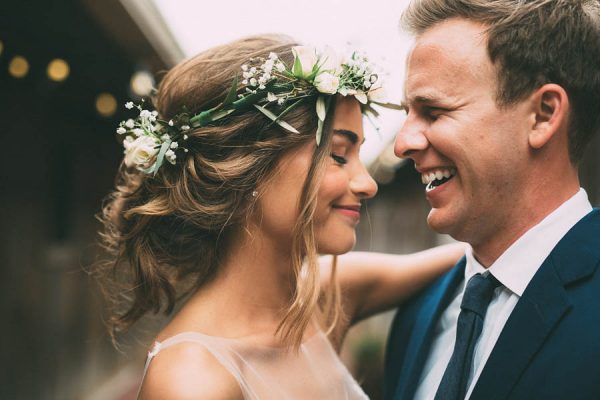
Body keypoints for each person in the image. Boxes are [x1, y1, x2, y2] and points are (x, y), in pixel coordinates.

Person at [97, 34, 464, 399]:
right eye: (338, 155)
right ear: (248, 167)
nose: (367, 184)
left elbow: (481, 259)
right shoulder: (192, 381)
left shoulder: (322, 298)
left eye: (358, 155)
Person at [385, 1, 600, 399]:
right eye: (407, 114)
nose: (403, 144)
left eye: (433, 112)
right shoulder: (417, 313)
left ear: (543, 114)